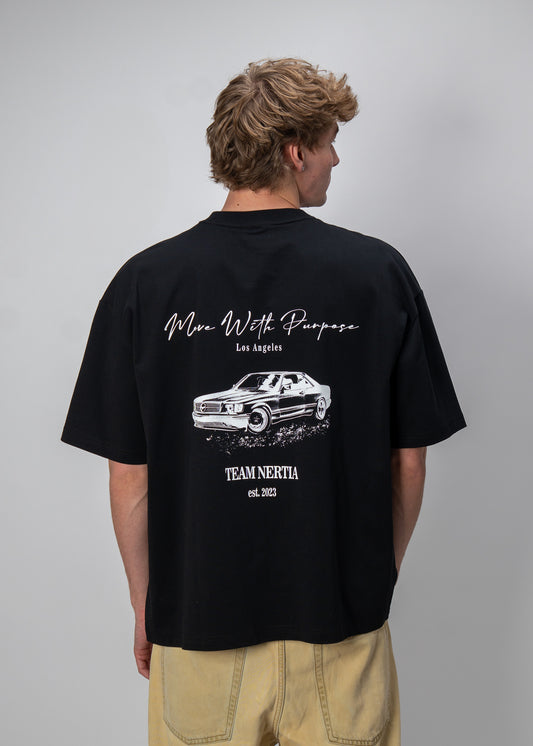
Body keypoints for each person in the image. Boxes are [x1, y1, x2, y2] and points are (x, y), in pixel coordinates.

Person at [61, 58, 467, 746]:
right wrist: (375, 576)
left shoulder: (145, 282)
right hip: (339, 626)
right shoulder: (377, 273)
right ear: (294, 151)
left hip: (197, 628)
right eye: (330, 142)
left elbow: (129, 472)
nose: (335, 159)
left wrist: (145, 605)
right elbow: (409, 461)